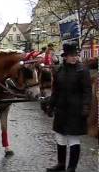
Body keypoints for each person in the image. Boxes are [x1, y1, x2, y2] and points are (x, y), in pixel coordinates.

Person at [46, 42, 92, 172]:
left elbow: (87, 91)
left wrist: (86, 107)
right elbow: (55, 91)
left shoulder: (82, 71)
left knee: (73, 138)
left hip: (76, 110)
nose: (74, 57)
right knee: (60, 137)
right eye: (71, 55)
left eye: (75, 55)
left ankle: (71, 167)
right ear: (65, 56)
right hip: (61, 110)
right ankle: (61, 164)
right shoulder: (59, 70)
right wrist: (51, 106)